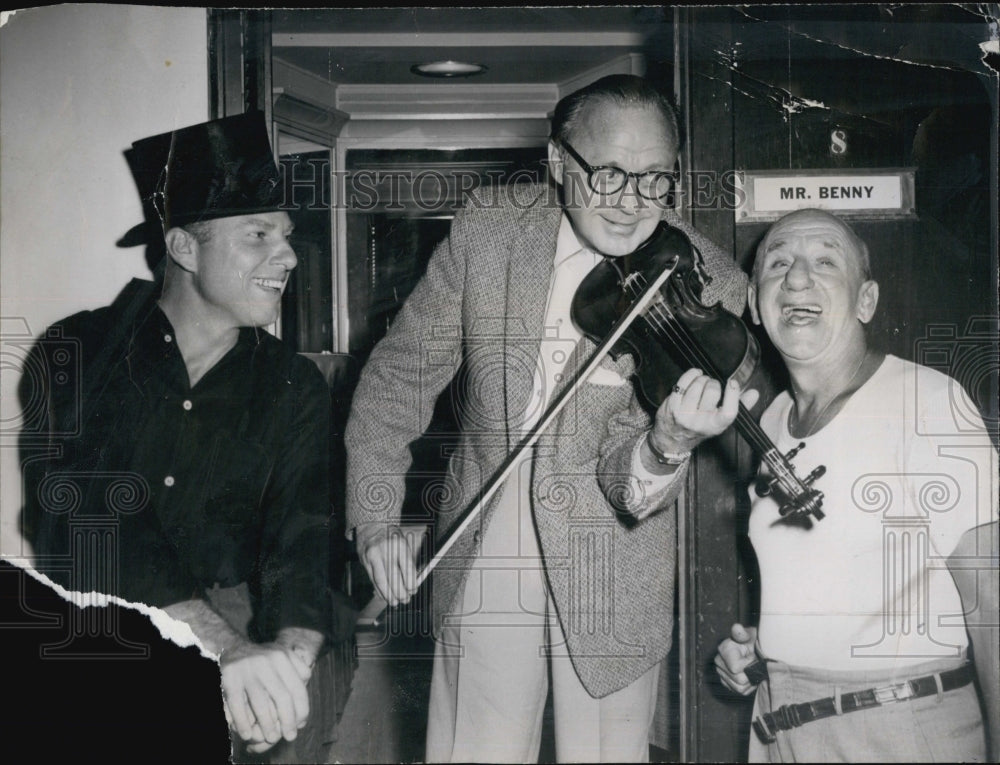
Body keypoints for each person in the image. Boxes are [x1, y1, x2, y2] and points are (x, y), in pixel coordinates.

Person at [345, 74, 749, 762]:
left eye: (656, 180)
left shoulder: (709, 283)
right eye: (611, 174)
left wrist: (666, 444)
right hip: (486, 526)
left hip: (613, 554)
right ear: (560, 162)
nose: (632, 204)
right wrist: (378, 515)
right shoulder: (491, 227)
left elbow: (631, 467)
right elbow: (399, 376)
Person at [19, 112, 335, 762]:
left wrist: (287, 667)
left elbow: (303, 535)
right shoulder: (78, 351)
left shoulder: (293, 384)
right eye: (258, 235)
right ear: (185, 248)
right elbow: (89, 518)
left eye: (286, 235)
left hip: (244, 642)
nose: (288, 256)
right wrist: (226, 649)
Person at [714, 208, 999, 762]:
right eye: (778, 263)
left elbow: (992, 601)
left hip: (897, 731)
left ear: (866, 300)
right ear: (754, 303)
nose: (797, 277)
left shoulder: (927, 403)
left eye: (825, 260)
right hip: (779, 728)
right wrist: (763, 652)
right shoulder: (771, 420)